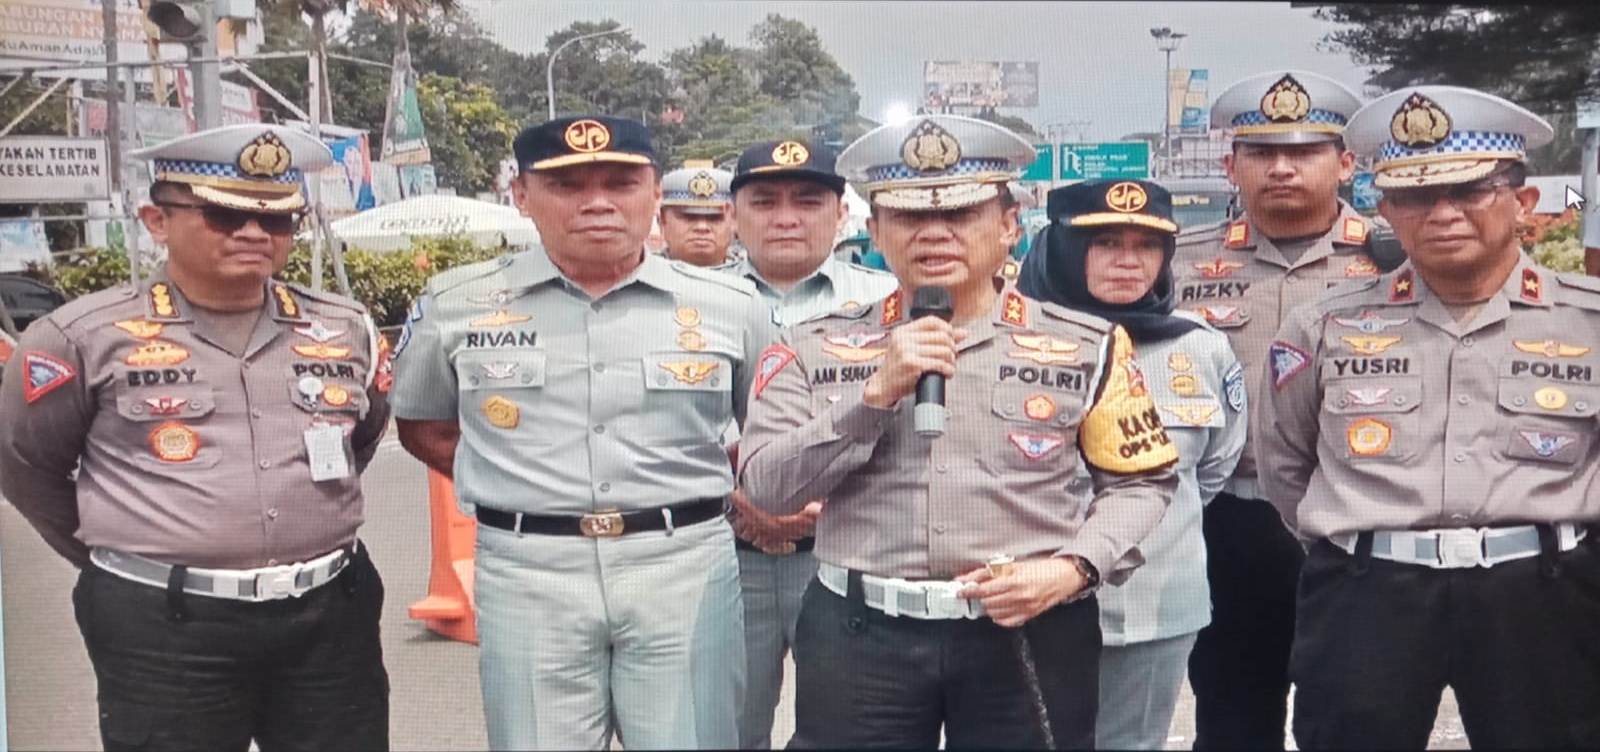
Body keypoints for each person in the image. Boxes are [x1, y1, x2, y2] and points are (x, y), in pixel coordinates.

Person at [738, 114, 1179, 749]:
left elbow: (1142, 483)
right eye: (910, 218)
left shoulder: (1088, 345)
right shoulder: (809, 345)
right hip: (861, 631)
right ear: (873, 233)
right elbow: (769, 490)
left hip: (1029, 625)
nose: (936, 233)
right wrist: (873, 395)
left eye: (963, 214)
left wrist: (1075, 568)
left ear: (1008, 226)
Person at [388, 115, 775, 750]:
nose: (597, 202)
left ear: (655, 194)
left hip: (684, 566)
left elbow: (766, 429)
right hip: (529, 572)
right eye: (567, 185)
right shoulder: (458, 302)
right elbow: (425, 424)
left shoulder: (731, 306)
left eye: (621, 182)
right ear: (520, 196)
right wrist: (527, 479)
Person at [0, 124, 392, 751]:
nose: (255, 235)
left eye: (280, 221)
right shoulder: (82, 336)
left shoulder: (343, 328)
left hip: (328, 614)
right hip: (164, 625)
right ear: (157, 220)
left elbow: (359, 440)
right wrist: (127, 554)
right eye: (222, 214)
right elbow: (25, 463)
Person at [1258, 85, 1600, 749]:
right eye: (1414, 196)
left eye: (1469, 191)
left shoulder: (1589, 321)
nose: (1442, 213)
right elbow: (1285, 464)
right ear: (1386, 209)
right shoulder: (1323, 325)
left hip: (1542, 594)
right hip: (1368, 592)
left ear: (1524, 202)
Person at [1171, 69, 1378, 750]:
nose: (1281, 168)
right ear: (1232, 166)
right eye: (1260, 153)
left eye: (1305, 151)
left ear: (1345, 162)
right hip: (1227, 520)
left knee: (1356, 713)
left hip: (1355, 523)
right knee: (1231, 716)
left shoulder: (1397, 261)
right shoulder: (1176, 268)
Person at [1017, 180, 1247, 750]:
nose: (1128, 261)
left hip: (1156, 601)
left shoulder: (1203, 347)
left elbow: (1211, 469)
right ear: (1064, 249)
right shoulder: (1011, 339)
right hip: (1029, 600)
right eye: (1106, 243)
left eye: (1147, 246)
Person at [714, 138, 897, 749]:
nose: (786, 217)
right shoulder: (693, 301)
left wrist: (812, 504)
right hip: (722, 552)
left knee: (848, 732)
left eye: (808, 201)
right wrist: (747, 502)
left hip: (848, 551)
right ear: (733, 214)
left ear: (840, 212)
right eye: (764, 201)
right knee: (726, 730)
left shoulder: (889, 301)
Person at [660, 161, 737, 267]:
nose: (702, 227)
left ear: (734, 220)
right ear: (663, 220)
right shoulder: (638, 277)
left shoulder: (753, 281)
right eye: (689, 217)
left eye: (714, 218)